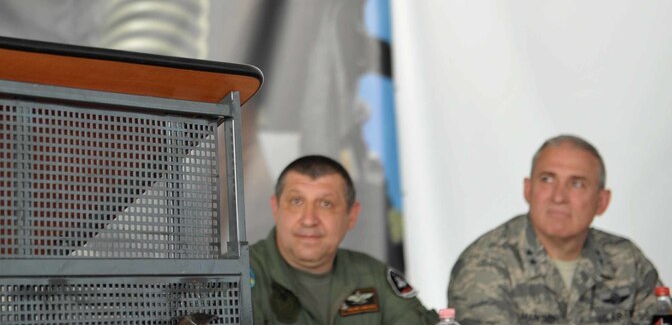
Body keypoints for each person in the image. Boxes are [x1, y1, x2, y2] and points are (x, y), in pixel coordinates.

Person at [448, 134, 663, 323]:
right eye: (547, 180)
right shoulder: (484, 264)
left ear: (601, 201)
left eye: (577, 184)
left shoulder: (626, 261)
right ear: (528, 190)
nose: (559, 197)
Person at [249, 155, 438, 324]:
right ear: (276, 208)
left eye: (325, 204)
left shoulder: (372, 277)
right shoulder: (239, 277)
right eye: (296, 202)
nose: (308, 220)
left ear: (351, 216)